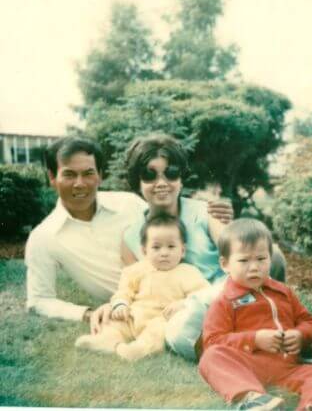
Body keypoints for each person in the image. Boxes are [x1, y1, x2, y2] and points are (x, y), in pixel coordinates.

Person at [25, 136, 230, 325]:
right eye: (69, 174)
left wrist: (214, 215)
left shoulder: (129, 204)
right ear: (52, 177)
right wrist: (88, 313)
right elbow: (39, 300)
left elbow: (169, 208)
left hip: (207, 294)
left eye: (88, 173)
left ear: (100, 175)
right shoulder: (44, 238)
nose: (80, 183)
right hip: (144, 305)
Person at [119, 133, 287, 361]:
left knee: (272, 256)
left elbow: (239, 256)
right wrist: (116, 306)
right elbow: (132, 287)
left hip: (227, 296)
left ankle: (268, 325)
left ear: (181, 178)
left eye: (171, 173)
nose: (161, 183)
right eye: (150, 175)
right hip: (182, 315)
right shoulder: (130, 237)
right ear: (137, 181)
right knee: (178, 333)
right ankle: (242, 343)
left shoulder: (206, 212)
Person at [199, 218, 312, 411]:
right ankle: (254, 399)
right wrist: (254, 339)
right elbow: (212, 341)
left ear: (270, 258)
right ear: (225, 264)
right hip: (248, 366)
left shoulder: (283, 292)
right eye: (244, 260)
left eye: (261, 259)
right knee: (211, 357)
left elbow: (308, 321)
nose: (254, 267)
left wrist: (300, 335)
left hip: (289, 368)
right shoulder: (225, 301)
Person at [75, 214, 209, 361]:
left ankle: (138, 350)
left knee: (158, 333)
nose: (164, 253)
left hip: (162, 318)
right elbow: (124, 291)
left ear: (182, 250)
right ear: (145, 251)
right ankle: (106, 340)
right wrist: (121, 304)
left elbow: (202, 296)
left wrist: (183, 304)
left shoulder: (188, 272)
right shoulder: (137, 270)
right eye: (156, 247)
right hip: (133, 315)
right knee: (114, 323)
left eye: (171, 246)